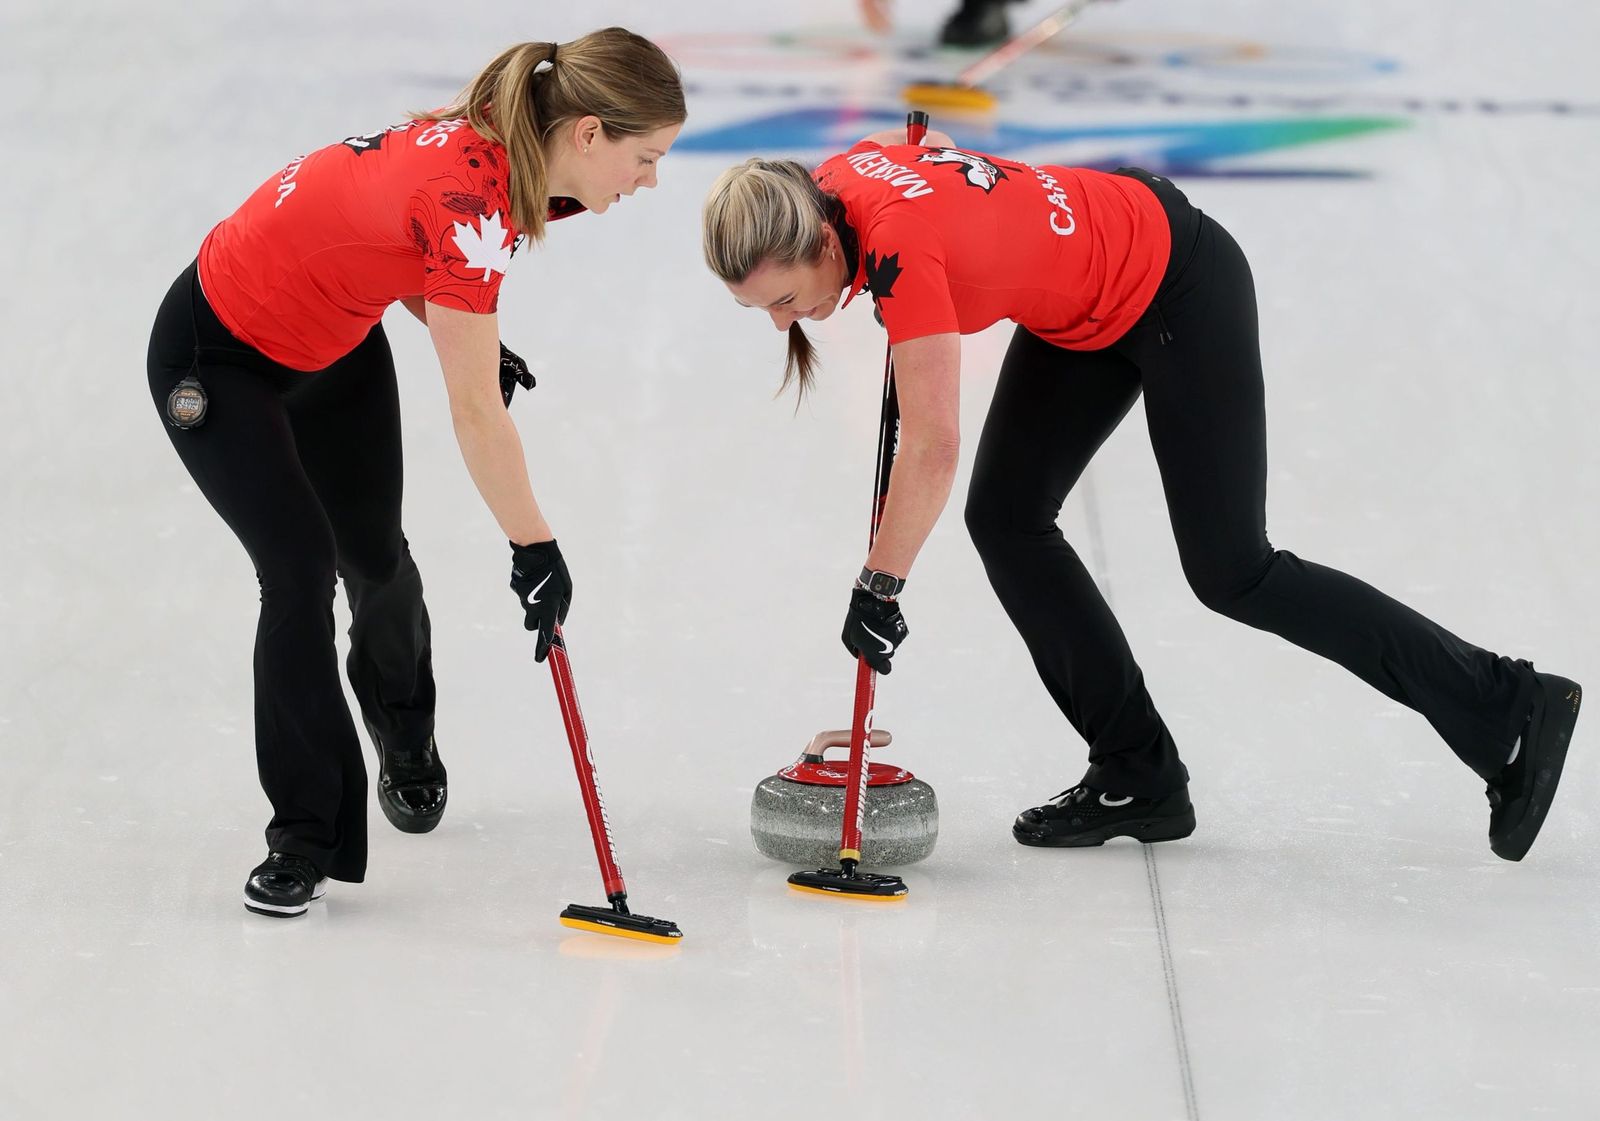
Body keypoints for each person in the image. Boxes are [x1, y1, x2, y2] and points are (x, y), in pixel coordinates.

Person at [700, 131, 1582, 861]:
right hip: (1084, 296)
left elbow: (931, 446)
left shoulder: (901, 256)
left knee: (1235, 569)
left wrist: (879, 585)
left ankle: (1506, 700)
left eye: (782, 299)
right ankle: (1138, 773)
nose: (783, 322)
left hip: (1178, 284)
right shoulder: (824, 184)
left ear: (821, 243)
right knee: (1005, 517)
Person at [147, 30, 685, 917]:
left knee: (375, 558)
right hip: (218, 358)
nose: (650, 179)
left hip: (334, 341)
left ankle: (405, 735)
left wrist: (460, 324)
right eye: (647, 157)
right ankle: (304, 836)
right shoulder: (475, 200)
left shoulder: (499, 142)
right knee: (298, 573)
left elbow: (377, 239)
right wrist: (535, 547)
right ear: (587, 134)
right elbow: (476, 412)